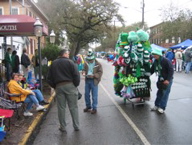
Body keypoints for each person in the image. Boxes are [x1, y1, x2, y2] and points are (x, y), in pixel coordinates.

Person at [47, 49, 80, 133]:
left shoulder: (53, 63)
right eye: (67, 54)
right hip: (70, 85)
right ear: (64, 54)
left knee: (61, 108)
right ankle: (76, 126)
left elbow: (49, 78)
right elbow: (76, 75)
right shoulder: (70, 62)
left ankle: (63, 127)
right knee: (73, 107)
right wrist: (75, 85)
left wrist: (55, 86)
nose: (68, 55)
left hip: (59, 86)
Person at [150, 48, 174, 114]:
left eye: (155, 54)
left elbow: (171, 70)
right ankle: (157, 105)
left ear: (159, 54)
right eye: (153, 54)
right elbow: (152, 70)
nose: (154, 55)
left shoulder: (166, 61)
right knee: (159, 92)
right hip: (160, 79)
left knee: (165, 93)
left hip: (167, 80)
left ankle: (162, 107)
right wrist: (146, 75)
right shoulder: (155, 61)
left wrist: (168, 80)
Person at [82, 48, 103, 114]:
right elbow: (83, 69)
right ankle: (88, 106)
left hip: (94, 81)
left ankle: (94, 108)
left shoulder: (98, 64)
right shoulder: (86, 63)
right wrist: (83, 72)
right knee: (86, 95)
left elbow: (100, 72)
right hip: (87, 80)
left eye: (91, 59)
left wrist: (94, 75)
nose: (90, 60)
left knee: (94, 95)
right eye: (89, 59)